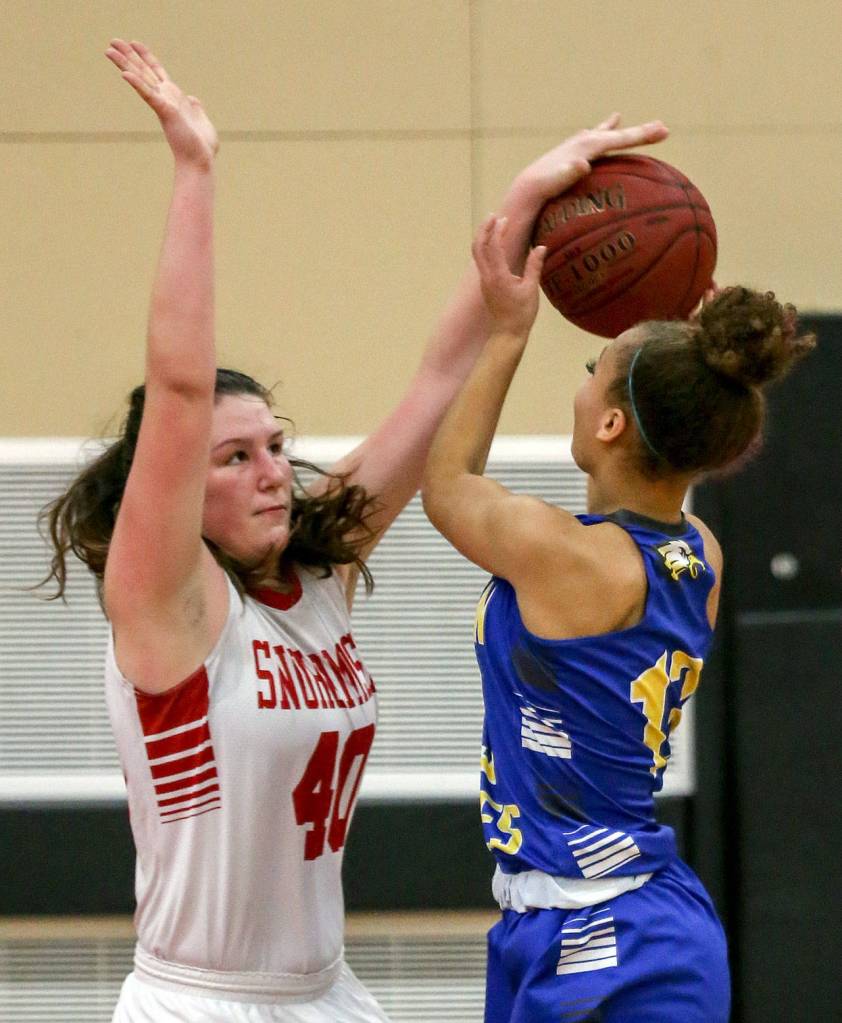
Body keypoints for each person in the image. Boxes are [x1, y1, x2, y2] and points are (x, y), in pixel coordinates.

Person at [39, 36, 670, 1021]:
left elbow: (433, 382)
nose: (270, 474)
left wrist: (526, 198)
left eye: (273, 448)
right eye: (232, 456)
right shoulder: (165, 601)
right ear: (170, 487)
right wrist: (195, 170)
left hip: (328, 994)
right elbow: (177, 382)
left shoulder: (318, 576)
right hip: (200, 1002)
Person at [420, 199, 815, 1016]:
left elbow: (448, 485)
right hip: (574, 917)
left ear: (607, 421)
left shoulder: (562, 551)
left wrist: (507, 332)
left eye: (590, 369)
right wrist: (692, 365)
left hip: (613, 931)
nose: (580, 381)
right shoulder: (695, 552)